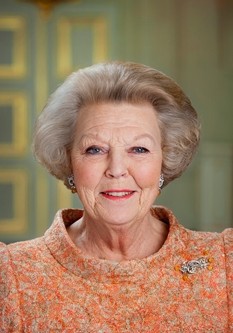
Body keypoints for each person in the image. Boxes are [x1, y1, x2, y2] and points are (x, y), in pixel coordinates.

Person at [0, 61, 232, 332]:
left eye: (139, 149)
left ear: (165, 160)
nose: (117, 169)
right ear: (69, 161)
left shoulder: (224, 263)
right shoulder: (11, 274)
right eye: (95, 150)